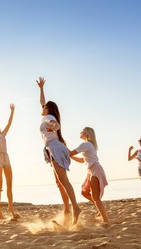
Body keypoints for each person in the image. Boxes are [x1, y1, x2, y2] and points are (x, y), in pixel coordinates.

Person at [36, 77, 81, 225]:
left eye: (44, 107)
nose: (42, 108)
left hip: (55, 147)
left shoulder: (49, 117)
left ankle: (75, 208)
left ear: (48, 109)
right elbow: (42, 102)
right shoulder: (46, 115)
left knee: (63, 180)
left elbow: (56, 125)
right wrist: (41, 88)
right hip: (51, 148)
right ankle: (67, 209)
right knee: (59, 182)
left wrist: (53, 127)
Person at [69, 127, 109, 223]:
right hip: (91, 171)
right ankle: (100, 207)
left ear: (87, 133)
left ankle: (105, 220)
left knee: (96, 198)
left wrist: (63, 147)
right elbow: (82, 160)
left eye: (82, 131)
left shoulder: (86, 144)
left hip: (95, 170)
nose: (80, 132)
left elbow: (69, 152)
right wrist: (70, 156)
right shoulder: (89, 145)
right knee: (85, 192)